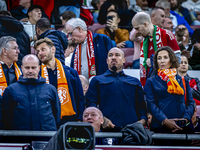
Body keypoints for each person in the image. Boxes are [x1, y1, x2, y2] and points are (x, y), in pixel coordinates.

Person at [1, 54, 61, 142]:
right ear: (22, 68)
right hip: (20, 140)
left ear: (39, 68)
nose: (30, 71)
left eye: (33, 67)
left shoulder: (50, 89)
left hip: (46, 140)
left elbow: (56, 114)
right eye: (27, 67)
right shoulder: (11, 90)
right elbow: (6, 118)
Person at [86, 47, 147, 131]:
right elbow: (90, 103)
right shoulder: (97, 80)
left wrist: (142, 120)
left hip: (131, 131)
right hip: (107, 130)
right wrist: (102, 119)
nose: (113, 57)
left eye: (117, 55)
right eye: (110, 55)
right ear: (107, 61)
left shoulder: (135, 81)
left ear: (124, 60)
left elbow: (141, 106)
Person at [144, 46, 195, 145]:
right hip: (161, 127)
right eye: (159, 58)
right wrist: (165, 120)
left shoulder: (183, 80)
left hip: (183, 127)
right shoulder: (151, 81)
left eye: (165, 57)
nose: (162, 61)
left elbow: (191, 102)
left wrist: (185, 119)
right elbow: (151, 104)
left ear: (171, 60)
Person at [34, 37, 85, 126]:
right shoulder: (36, 74)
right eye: (38, 51)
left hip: (69, 119)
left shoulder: (71, 72)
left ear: (53, 49)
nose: (40, 53)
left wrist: (80, 118)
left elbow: (79, 97)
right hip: (46, 120)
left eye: (43, 49)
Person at [131, 11, 181, 86]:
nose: (137, 32)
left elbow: (178, 60)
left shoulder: (167, 35)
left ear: (145, 24)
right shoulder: (143, 42)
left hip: (166, 83)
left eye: (137, 28)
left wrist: (154, 62)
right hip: (150, 84)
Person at [0, 36, 22, 129]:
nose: (18, 51)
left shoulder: (21, 70)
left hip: (17, 116)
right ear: (4, 51)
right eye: (14, 48)